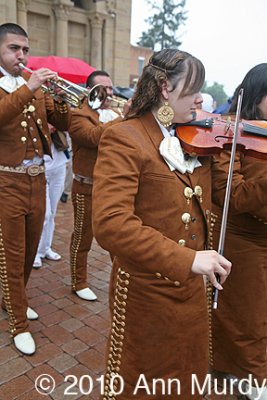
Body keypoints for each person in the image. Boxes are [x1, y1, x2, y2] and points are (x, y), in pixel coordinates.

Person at [92, 49, 231, 399]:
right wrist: (189, 259)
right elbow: (111, 223)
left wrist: (228, 152)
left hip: (191, 289)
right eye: (193, 88)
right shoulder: (125, 136)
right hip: (146, 289)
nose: (200, 97)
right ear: (166, 88)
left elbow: (226, 197)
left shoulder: (188, 136)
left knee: (189, 372)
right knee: (143, 379)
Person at [0, 23, 71, 355]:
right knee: (12, 256)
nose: (22, 55)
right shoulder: (20, 87)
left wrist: (61, 99)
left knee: (31, 251)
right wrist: (30, 87)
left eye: (25, 50)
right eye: (15, 48)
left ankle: (13, 299)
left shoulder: (35, 88)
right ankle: (18, 322)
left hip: (37, 179)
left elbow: (65, 124)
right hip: (6, 182)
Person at [212, 64, 267, 400]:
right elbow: (231, 194)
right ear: (257, 94)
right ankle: (253, 378)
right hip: (243, 239)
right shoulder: (228, 132)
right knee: (247, 315)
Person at [69, 70, 120, 301]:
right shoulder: (79, 114)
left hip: (111, 188)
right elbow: (92, 137)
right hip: (86, 187)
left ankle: (120, 281)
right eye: (103, 88)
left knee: (118, 238)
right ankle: (78, 281)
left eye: (110, 88)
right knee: (82, 237)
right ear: (90, 90)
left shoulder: (116, 112)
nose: (109, 93)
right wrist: (124, 119)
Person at [33, 125, 69, 268]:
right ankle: (35, 252)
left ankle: (45, 248)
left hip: (59, 166)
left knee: (52, 213)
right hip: (41, 168)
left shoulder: (58, 108)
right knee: (44, 214)